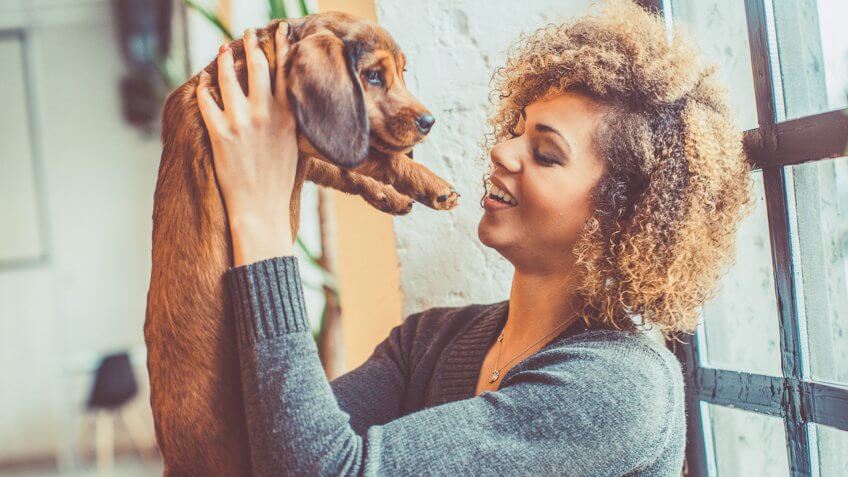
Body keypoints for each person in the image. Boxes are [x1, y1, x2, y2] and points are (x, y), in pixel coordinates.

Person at [195, 1, 751, 475]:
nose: (501, 152)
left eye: (545, 153)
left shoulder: (621, 388)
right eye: (517, 129)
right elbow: (266, 451)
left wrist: (261, 217)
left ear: (622, 214)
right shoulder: (429, 343)